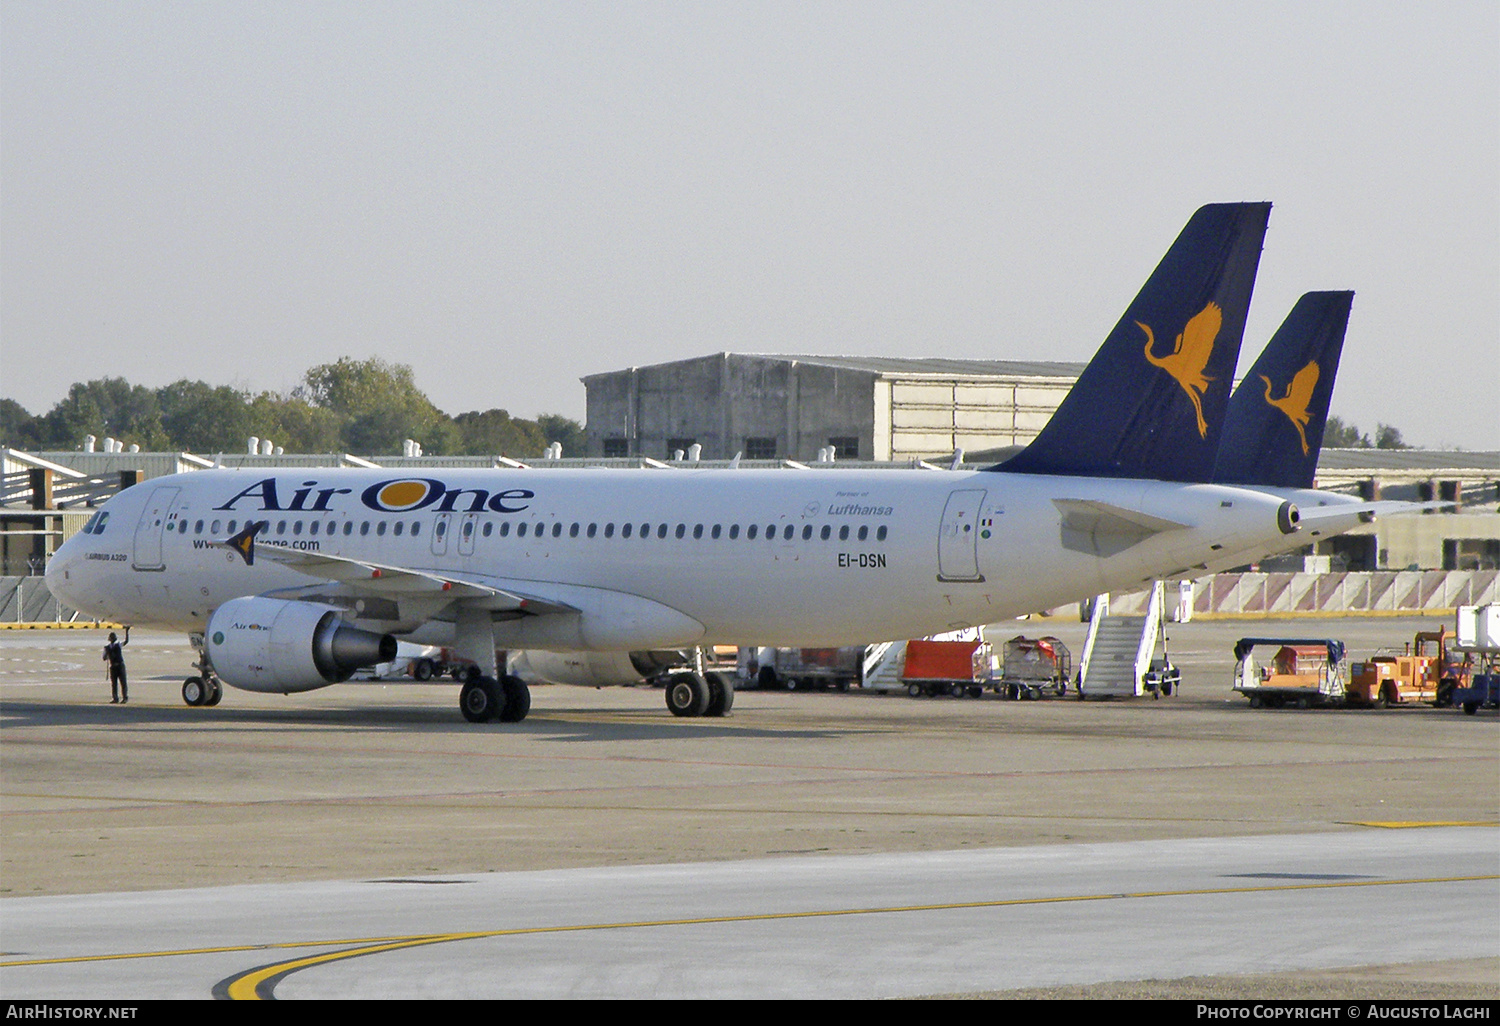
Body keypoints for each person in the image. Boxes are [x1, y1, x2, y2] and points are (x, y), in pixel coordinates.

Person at [103, 627, 130, 704]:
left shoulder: (118, 645)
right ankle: (115, 698)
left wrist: (127, 633)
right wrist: (108, 654)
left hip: (120, 666)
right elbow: (104, 658)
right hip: (113, 667)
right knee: (114, 684)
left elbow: (126, 641)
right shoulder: (107, 648)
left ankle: (125, 697)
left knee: (123, 682)